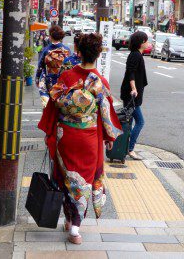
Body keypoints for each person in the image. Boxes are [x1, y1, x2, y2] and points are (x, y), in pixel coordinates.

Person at [38, 33, 122, 245]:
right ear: (98, 54)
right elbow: (105, 113)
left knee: (66, 178)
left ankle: (68, 218)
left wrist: (51, 131)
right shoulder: (100, 82)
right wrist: (109, 136)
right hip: (89, 138)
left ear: (79, 52)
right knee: (83, 180)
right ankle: (75, 228)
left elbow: (52, 106)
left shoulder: (66, 77)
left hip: (65, 135)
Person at [120, 31, 149, 160]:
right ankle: (130, 148)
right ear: (142, 42)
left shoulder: (137, 54)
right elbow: (131, 72)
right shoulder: (136, 55)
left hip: (131, 94)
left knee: (130, 121)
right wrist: (134, 89)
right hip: (131, 95)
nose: (148, 43)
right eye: (146, 40)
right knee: (140, 122)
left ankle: (125, 146)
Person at [35, 25, 71, 108]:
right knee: (59, 103)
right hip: (61, 79)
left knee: (47, 104)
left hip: (48, 78)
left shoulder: (46, 49)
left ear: (50, 36)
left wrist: (37, 79)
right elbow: (69, 66)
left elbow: (40, 66)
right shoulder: (66, 50)